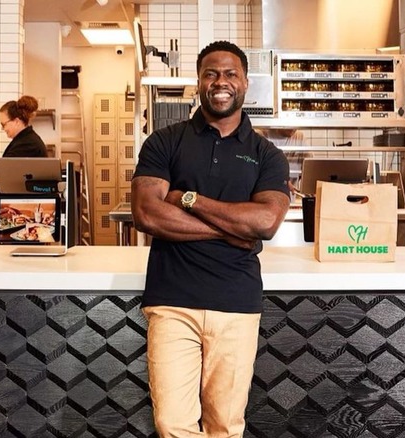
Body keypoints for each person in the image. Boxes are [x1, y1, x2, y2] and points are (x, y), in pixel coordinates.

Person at [131, 41, 290, 437]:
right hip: (172, 302)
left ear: (245, 84)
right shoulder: (165, 141)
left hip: (235, 303)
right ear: (198, 83)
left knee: (224, 425)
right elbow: (147, 212)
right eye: (211, 74)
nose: (221, 82)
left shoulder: (266, 154)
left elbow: (266, 221)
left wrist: (188, 199)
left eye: (231, 74)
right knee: (172, 424)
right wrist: (233, 229)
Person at [0, 96, 49, 204]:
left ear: (17, 121)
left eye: (3, 124)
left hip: (26, 204)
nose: (3, 129)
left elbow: (1, 174)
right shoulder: (24, 139)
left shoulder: (27, 143)